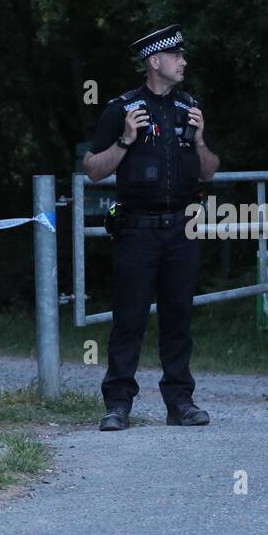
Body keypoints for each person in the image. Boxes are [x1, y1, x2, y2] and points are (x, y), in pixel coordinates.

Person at [83, 23, 220, 431]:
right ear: (155, 61)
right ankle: (118, 404)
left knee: (179, 317)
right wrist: (125, 140)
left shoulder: (189, 108)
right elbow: (92, 169)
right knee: (130, 318)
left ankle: (180, 402)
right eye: (177, 56)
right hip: (137, 229)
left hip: (183, 226)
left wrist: (199, 141)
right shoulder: (122, 109)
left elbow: (210, 172)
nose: (184, 62)